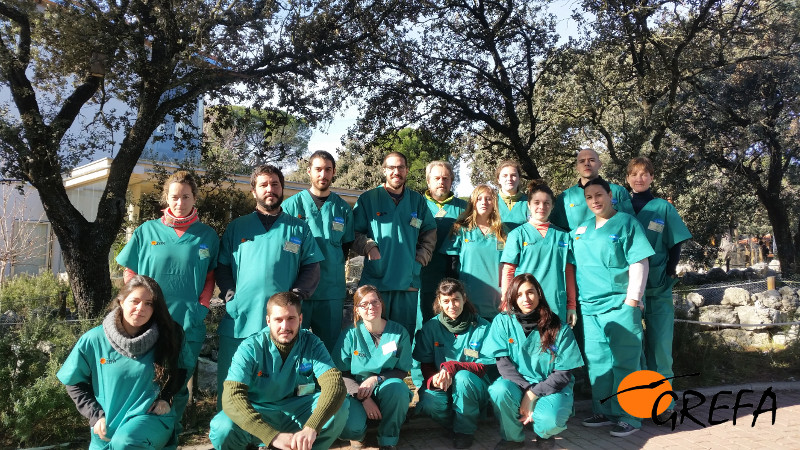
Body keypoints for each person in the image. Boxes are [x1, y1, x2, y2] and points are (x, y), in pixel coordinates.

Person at [115, 170, 218, 441]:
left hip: (187, 321)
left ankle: (171, 436)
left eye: (186, 196)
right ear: (167, 198)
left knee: (178, 385)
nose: (180, 202)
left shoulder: (207, 235)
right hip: (147, 320)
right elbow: (129, 271)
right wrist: (135, 303)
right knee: (146, 380)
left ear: (194, 197)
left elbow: (210, 277)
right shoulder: (146, 230)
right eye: (174, 197)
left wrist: (201, 308)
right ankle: (139, 436)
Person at [215, 165, 323, 407]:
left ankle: (274, 431)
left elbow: (311, 267)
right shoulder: (237, 228)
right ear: (254, 191)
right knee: (234, 383)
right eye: (263, 185)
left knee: (277, 383)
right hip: (242, 317)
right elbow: (221, 266)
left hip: (282, 321)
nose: (270, 189)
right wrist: (230, 295)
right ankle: (232, 435)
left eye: (275, 184)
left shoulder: (298, 228)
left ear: (282, 188)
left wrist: (295, 297)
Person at [58, 275, 188, 449]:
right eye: (134, 301)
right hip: (107, 428)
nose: (141, 308)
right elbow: (73, 383)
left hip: (149, 422)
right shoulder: (94, 340)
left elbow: (181, 370)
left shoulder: (169, 335)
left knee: (126, 443)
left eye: (149, 303)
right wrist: (95, 415)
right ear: (121, 301)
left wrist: (166, 398)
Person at [568, 177, 654, 437]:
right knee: (598, 363)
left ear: (610, 195)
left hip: (620, 305)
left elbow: (639, 261)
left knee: (626, 362)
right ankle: (604, 411)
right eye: (589, 197)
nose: (594, 200)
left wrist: (632, 299)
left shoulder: (627, 223)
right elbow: (571, 266)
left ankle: (631, 416)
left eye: (599, 195)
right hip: (591, 308)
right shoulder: (581, 231)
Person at [209, 291, 348, 450]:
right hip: (261, 411)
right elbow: (232, 395)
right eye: (278, 320)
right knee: (222, 427)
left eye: (291, 319)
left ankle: (306, 446)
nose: (285, 326)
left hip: (298, 411)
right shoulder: (250, 348)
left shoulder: (312, 343)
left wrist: (312, 427)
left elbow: (335, 385)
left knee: (341, 406)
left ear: (300, 319)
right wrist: (271, 435)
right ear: (268, 321)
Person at [484, 274, 584, 449]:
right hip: (515, 383)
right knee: (499, 390)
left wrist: (533, 394)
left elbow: (562, 374)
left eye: (530, 292)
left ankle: (543, 434)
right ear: (512, 297)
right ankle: (512, 439)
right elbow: (503, 365)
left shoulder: (558, 327)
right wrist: (527, 390)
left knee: (549, 420)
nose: (525, 299)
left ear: (539, 294)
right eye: (519, 294)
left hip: (552, 386)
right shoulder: (502, 321)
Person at [626, 157, 691, 418]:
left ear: (652, 177)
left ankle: (664, 404)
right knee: (632, 348)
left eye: (644, 174)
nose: (639, 178)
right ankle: (636, 401)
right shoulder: (620, 208)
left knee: (660, 347)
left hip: (659, 285)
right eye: (634, 174)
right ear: (628, 178)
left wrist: (669, 271)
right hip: (629, 288)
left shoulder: (663, 208)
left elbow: (675, 243)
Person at [353, 152, 437, 336]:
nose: (396, 171)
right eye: (391, 167)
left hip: (407, 280)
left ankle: (400, 366)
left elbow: (429, 232)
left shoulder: (417, 201)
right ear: (384, 170)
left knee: (403, 335)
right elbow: (354, 232)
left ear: (406, 171)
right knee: (372, 333)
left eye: (400, 167)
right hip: (377, 281)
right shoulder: (368, 199)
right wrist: (369, 246)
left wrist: (420, 259)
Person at [283, 150, 355, 352]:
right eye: (318, 169)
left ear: (333, 173)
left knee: (330, 347)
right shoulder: (291, 206)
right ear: (309, 171)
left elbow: (346, 246)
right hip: (298, 290)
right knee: (294, 346)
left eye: (328, 170)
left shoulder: (342, 208)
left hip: (331, 291)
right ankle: (297, 384)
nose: (323, 175)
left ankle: (326, 384)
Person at [412, 278, 494, 449]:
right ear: (439, 302)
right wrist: (434, 379)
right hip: (442, 384)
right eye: (446, 301)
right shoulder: (431, 327)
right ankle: (455, 424)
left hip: (473, 386)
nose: (452, 306)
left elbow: (483, 366)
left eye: (456, 299)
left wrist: (453, 366)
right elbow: (425, 363)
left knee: (463, 377)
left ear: (464, 298)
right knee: (429, 402)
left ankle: (465, 431)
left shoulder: (482, 327)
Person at [333, 285, 413, 450]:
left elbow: (402, 369)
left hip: (386, 385)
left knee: (398, 391)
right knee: (349, 427)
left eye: (375, 302)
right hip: (356, 390)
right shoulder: (350, 335)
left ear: (381, 304)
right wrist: (364, 398)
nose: (371, 307)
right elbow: (340, 372)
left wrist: (376, 379)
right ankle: (358, 436)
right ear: (357, 309)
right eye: (364, 304)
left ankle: (388, 439)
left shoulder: (398, 333)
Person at [500, 180, 576, 325]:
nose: (542, 207)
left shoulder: (564, 236)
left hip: (555, 302)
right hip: (524, 302)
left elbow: (569, 271)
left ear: (553, 206)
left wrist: (571, 306)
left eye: (547, 203)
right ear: (529, 205)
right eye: (537, 202)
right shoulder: (517, 234)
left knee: (554, 345)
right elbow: (509, 270)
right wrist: (506, 301)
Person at [440, 184, 507, 320]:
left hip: (497, 301)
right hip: (468, 299)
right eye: (479, 198)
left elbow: (510, 266)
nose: (484, 202)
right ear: (473, 202)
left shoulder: (503, 232)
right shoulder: (461, 229)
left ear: (494, 203)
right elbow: (451, 266)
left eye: (488, 199)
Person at [419, 160, 467, 323]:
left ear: (452, 181)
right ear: (428, 181)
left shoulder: (465, 208)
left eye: (446, 178)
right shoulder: (417, 205)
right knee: (426, 322)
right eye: (437, 178)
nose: (441, 182)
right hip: (424, 275)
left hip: (455, 275)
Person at [551, 148, 633, 232]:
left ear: (600, 164)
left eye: (592, 160)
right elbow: (560, 231)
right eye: (582, 161)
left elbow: (630, 224)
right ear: (577, 167)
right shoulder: (565, 198)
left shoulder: (619, 192)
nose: (587, 164)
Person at [495, 160, 528, 230]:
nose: (509, 179)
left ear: (519, 178)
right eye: (505, 176)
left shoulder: (530, 202)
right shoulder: (490, 202)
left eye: (513, 175)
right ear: (498, 179)